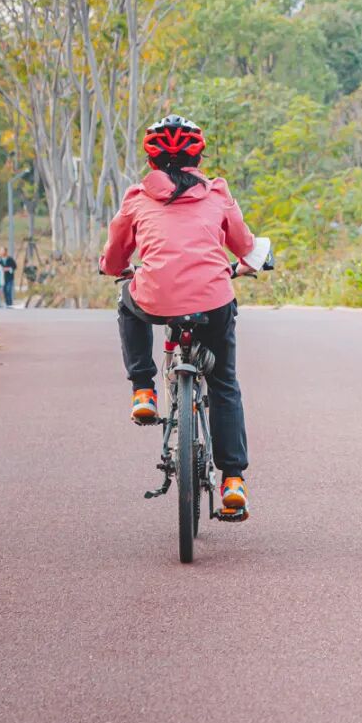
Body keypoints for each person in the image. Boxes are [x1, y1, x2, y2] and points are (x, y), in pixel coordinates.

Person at [99, 115, 259, 519]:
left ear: (151, 162)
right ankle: (233, 480)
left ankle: (143, 390)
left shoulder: (137, 197)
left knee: (127, 301)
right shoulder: (218, 193)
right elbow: (244, 246)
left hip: (154, 298)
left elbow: (116, 257)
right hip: (213, 300)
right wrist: (247, 260)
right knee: (223, 382)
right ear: (198, 158)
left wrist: (113, 267)